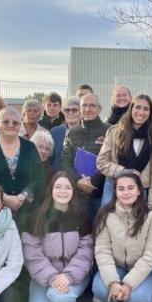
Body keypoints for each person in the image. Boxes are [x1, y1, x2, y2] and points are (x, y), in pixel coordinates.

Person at [21, 172, 94, 302]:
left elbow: (85, 253)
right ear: (50, 190)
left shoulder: (81, 217)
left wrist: (68, 276)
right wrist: (52, 278)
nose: (63, 191)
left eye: (68, 187)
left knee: (60, 296)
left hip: (74, 274)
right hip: (44, 276)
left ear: (73, 191)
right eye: (58, 186)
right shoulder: (36, 218)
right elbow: (32, 256)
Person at [92, 171, 152, 302]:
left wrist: (128, 284)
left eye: (131, 188)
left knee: (141, 298)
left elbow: (151, 254)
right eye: (121, 189)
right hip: (118, 266)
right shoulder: (106, 215)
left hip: (147, 269)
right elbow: (102, 250)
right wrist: (113, 282)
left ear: (139, 191)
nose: (126, 192)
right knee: (99, 288)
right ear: (115, 192)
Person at [0, 107, 45, 227]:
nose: (10, 125)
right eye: (5, 122)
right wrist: (3, 197)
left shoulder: (30, 147)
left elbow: (39, 177)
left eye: (15, 122)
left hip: (27, 213)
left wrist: (23, 196)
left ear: (20, 125)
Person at [97, 94, 152, 210]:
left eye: (146, 109)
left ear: (150, 113)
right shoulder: (115, 132)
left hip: (141, 188)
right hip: (114, 185)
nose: (141, 112)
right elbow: (101, 162)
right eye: (137, 107)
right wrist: (123, 171)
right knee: (107, 221)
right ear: (131, 109)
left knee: (138, 225)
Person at [59, 93, 110, 221]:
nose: (88, 109)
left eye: (92, 105)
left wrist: (92, 182)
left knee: (99, 233)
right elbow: (65, 161)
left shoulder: (109, 131)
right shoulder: (72, 133)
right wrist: (78, 181)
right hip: (77, 194)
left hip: (100, 194)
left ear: (99, 109)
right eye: (84, 106)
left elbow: (112, 159)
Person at [50, 96, 81, 172]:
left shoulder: (87, 132)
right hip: (57, 178)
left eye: (74, 110)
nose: (70, 113)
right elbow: (50, 158)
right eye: (67, 110)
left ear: (81, 112)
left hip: (79, 178)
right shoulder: (55, 132)